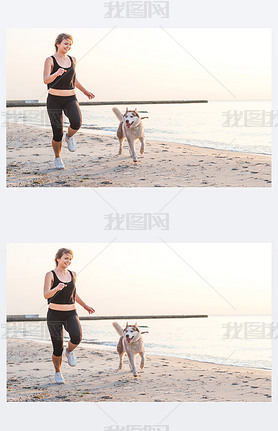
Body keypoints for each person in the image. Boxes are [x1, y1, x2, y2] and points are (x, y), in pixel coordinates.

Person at [43, 33, 95, 169]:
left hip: (70, 98)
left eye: (70, 44)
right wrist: (56, 73)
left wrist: (85, 91)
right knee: (57, 132)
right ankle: (58, 157)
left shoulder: (73, 59)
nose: (68, 46)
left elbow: (73, 79)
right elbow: (45, 80)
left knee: (77, 122)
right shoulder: (50, 60)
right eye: (65, 43)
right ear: (58, 44)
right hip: (54, 99)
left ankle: (69, 137)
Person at [43, 248, 95, 384]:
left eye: (70, 259)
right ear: (58, 258)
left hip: (71, 313)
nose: (68, 261)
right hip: (54, 314)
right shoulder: (50, 274)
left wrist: (85, 306)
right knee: (57, 347)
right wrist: (57, 288)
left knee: (77, 337)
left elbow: (74, 293)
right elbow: (46, 294)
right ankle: (58, 372)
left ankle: (69, 351)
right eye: (66, 258)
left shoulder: (73, 274)